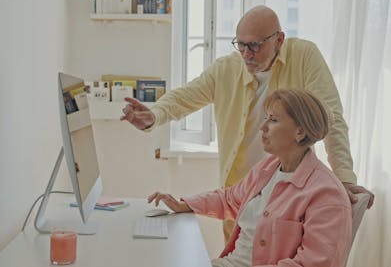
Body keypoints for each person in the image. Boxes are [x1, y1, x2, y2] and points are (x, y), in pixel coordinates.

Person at [121, 5, 374, 240]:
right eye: (240, 45)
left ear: (279, 40)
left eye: (254, 46)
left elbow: (332, 118)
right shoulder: (226, 69)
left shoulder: (305, 56)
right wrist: (155, 115)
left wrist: (344, 179)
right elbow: (185, 97)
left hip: (289, 195)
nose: (246, 54)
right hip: (243, 195)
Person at [148, 89, 352, 267]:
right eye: (266, 117)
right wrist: (185, 204)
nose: (262, 127)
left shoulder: (327, 194)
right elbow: (230, 199)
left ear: (300, 131)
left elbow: (314, 264)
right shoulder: (269, 167)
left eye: (273, 120)